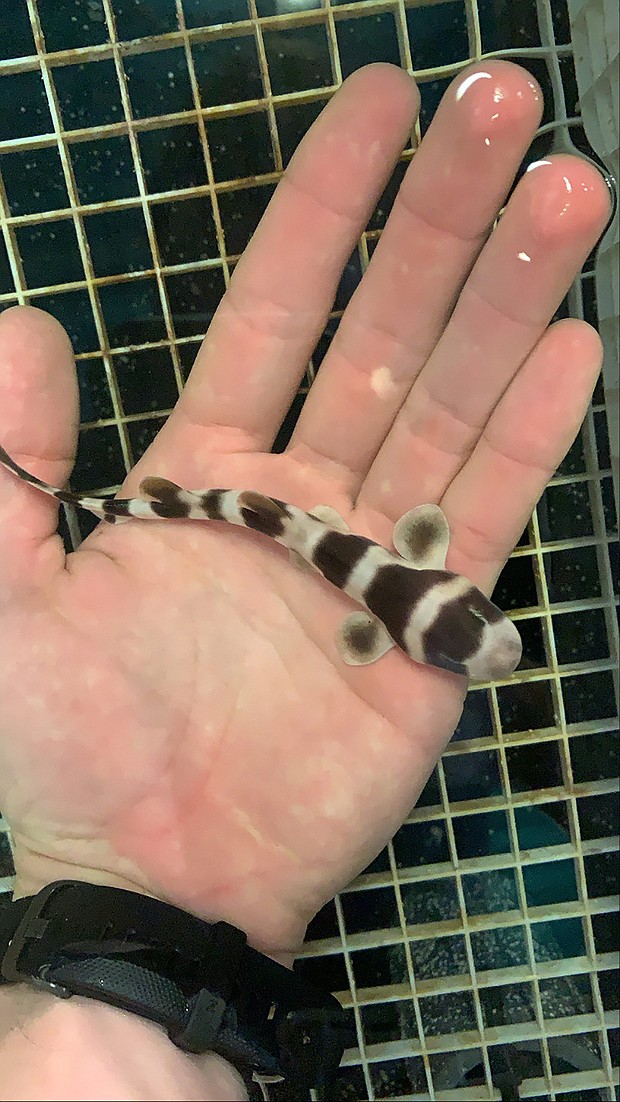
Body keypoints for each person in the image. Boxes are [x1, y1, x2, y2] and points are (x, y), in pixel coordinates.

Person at [0, 61, 611, 1100]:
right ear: (414, 622)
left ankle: (135, 509)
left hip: (313, 537)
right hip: (289, 537)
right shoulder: (377, 619)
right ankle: (137, 509)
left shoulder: (398, 571)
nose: (481, 635)